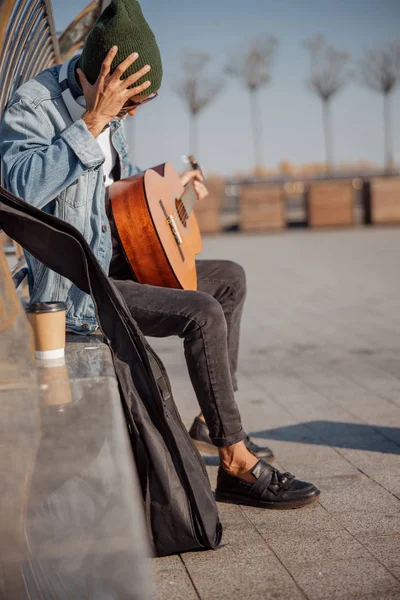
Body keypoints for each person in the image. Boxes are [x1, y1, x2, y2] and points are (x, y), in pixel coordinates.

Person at [0, 0, 320, 509]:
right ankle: (235, 462)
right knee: (201, 312)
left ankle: (212, 417)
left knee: (228, 278)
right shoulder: (34, 106)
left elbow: (111, 189)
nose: (132, 112)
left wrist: (171, 187)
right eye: (129, 102)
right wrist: (92, 122)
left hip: (112, 257)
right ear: (103, 73)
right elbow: (14, 190)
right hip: (76, 287)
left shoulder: (112, 105)